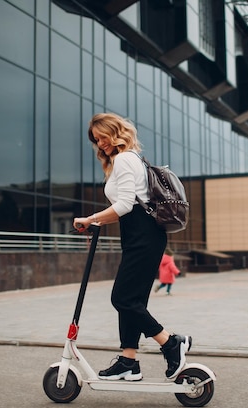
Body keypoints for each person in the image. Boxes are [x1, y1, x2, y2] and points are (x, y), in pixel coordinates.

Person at [73, 113, 191, 381]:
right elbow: (124, 208)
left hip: (143, 235)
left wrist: (90, 218)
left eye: (102, 137)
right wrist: (98, 222)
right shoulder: (125, 160)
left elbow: (126, 205)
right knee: (132, 301)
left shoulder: (125, 159)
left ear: (115, 132)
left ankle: (171, 343)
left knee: (123, 299)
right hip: (138, 234)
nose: (100, 143)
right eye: (96, 140)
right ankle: (128, 361)